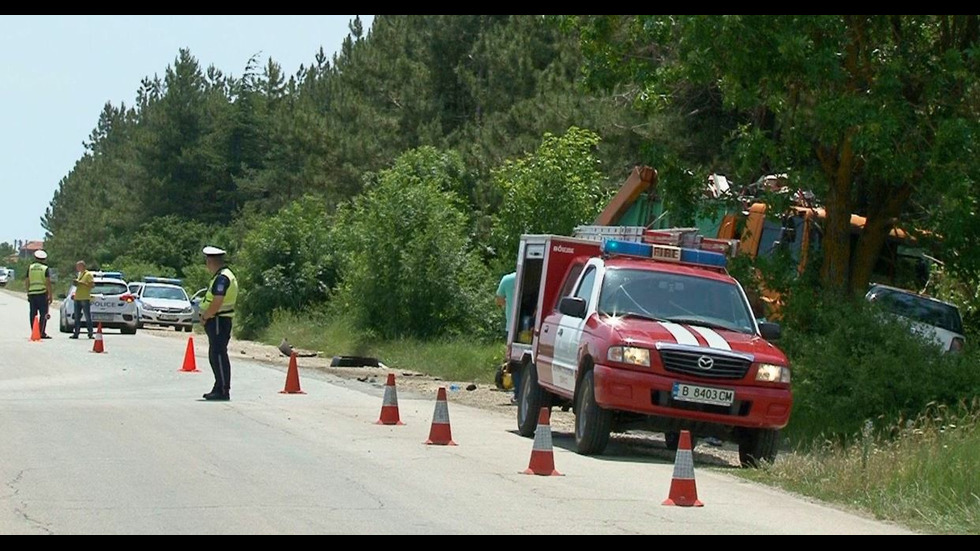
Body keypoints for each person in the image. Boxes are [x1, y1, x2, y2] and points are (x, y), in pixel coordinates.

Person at [198, 246, 239, 402]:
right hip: (219, 320)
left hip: (218, 320)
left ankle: (223, 390)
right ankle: (219, 386)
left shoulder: (222, 278)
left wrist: (206, 316)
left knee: (218, 354)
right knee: (216, 354)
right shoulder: (224, 275)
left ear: (210, 261)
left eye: (207, 261)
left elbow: (217, 301)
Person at [495, 271, 519, 405]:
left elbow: (499, 300)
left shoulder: (507, 279)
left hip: (511, 326)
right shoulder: (536, 277)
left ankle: (517, 393)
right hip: (532, 326)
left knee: (514, 361)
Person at [26, 250, 53, 339]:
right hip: (42, 293)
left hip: (32, 293)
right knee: (43, 314)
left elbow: (27, 281)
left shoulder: (30, 268)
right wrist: (50, 295)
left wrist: (28, 292)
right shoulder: (45, 268)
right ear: (44, 259)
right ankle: (41, 332)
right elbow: (48, 282)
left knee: (33, 313)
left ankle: (34, 331)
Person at [70, 260, 96, 340]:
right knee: (77, 317)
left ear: (83, 266)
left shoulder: (88, 274)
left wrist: (81, 283)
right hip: (78, 297)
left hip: (85, 297)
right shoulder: (79, 274)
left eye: (78, 266)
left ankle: (90, 333)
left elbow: (92, 285)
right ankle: (76, 333)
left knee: (87, 316)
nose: (77, 268)